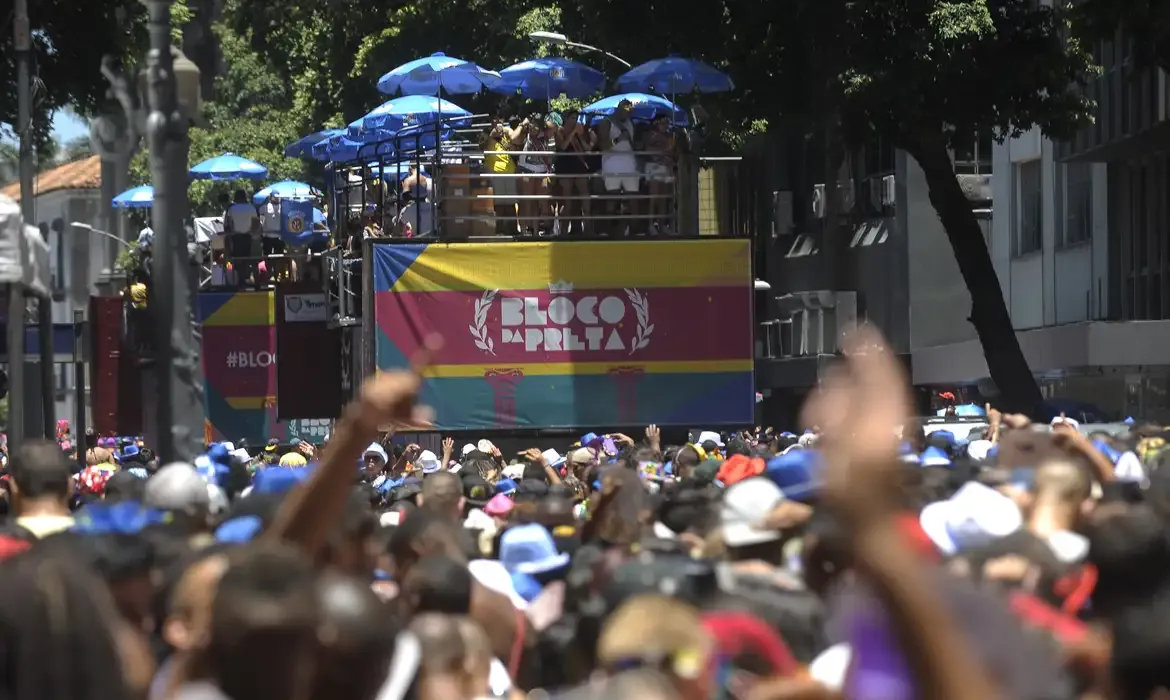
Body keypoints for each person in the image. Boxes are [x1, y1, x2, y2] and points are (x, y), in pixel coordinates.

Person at [597, 99, 641, 236]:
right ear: (618, 109)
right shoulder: (607, 122)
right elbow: (602, 145)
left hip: (630, 164)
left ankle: (634, 231)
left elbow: (636, 144)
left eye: (629, 110)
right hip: (612, 165)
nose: (626, 113)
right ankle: (608, 232)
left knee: (633, 200)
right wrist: (618, 139)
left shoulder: (631, 123)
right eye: (624, 109)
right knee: (612, 199)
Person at [554, 109, 595, 237]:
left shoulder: (579, 130)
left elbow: (587, 147)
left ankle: (588, 228)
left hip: (578, 165)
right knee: (567, 201)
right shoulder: (559, 130)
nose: (574, 121)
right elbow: (563, 146)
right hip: (565, 165)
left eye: (576, 118)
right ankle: (563, 231)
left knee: (585, 195)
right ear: (566, 118)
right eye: (572, 118)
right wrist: (572, 133)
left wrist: (581, 135)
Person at [642, 113, 677, 234]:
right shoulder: (651, 134)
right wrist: (663, 151)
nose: (665, 125)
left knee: (664, 198)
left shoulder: (670, 136)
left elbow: (672, 152)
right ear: (657, 123)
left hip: (666, 167)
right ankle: (650, 224)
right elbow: (647, 149)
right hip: (654, 166)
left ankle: (662, 225)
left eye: (667, 123)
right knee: (654, 197)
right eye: (663, 122)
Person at [223, 189, 259, 284]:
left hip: (236, 236)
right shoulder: (251, 208)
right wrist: (250, 231)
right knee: (247, 258)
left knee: (236, 259)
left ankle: (238, 279)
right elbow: (255, 223)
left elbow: (229, 223)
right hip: (248, 236)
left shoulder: (232, 209)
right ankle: (247, 277)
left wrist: (233, 231)